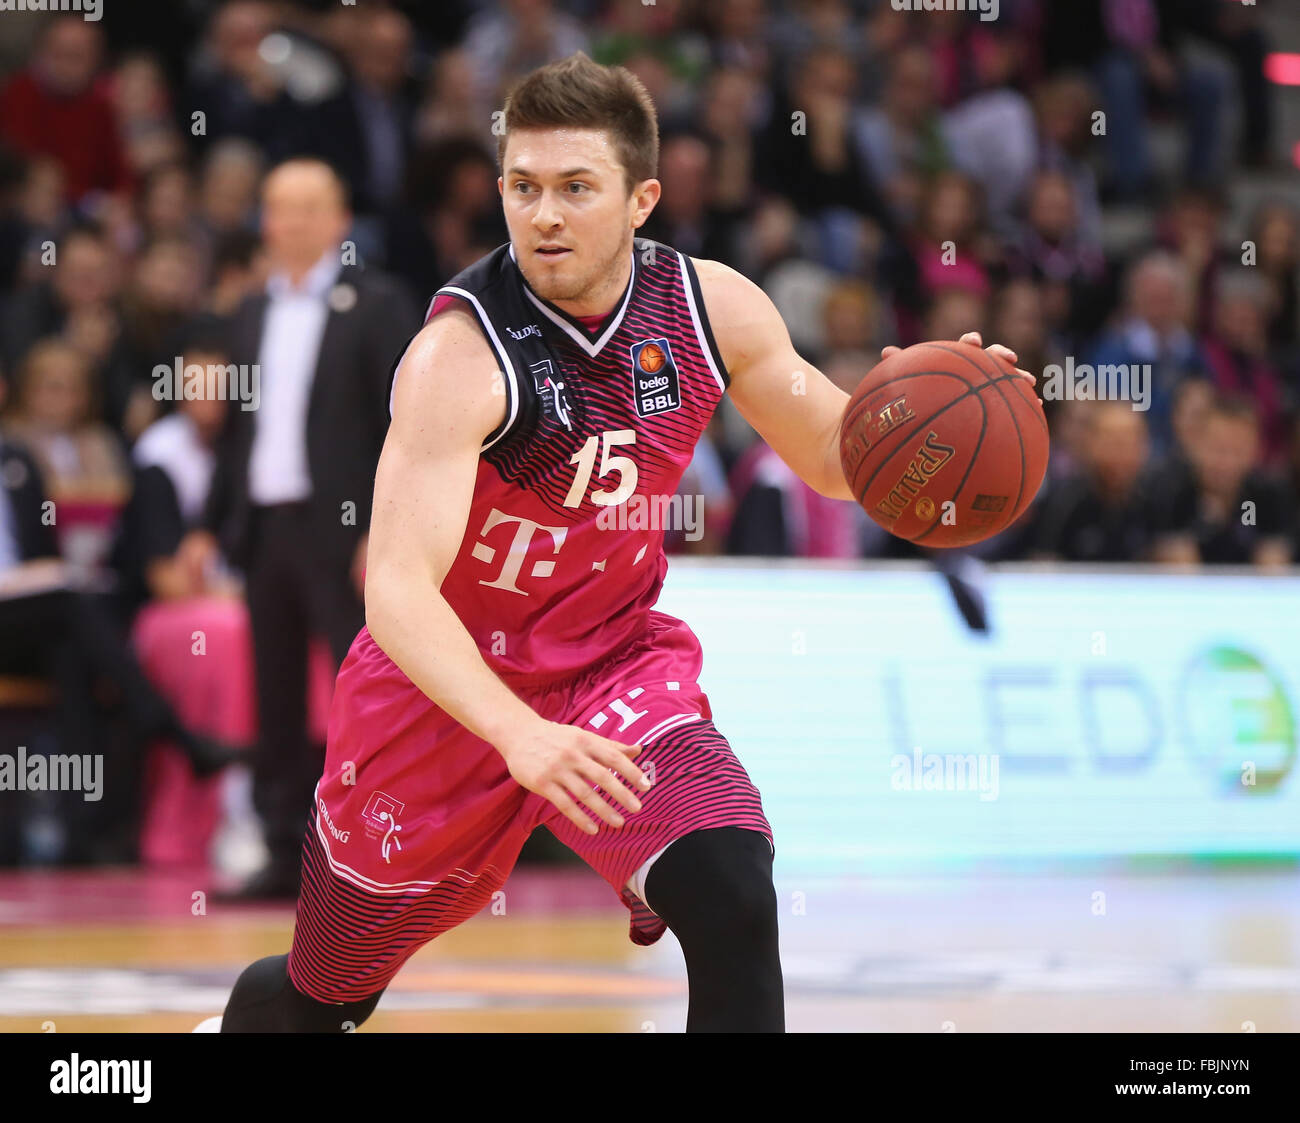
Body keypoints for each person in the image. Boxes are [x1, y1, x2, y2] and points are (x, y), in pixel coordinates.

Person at [205, 52, 1031, 1034]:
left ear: (641, 199)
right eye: (523, 187)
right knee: (325, 993)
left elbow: (834, 462)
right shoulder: (458, 357)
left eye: (574, 188)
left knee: (731, 888)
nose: (543, 215)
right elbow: (394, 589)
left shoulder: (712, 307)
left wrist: (915, 424)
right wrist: (516, 733)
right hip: (444, 695)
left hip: (609, 665)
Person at [182, 158, 417, 900]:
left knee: (368, 689)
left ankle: (385, 848)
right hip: (266, 526)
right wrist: (208, 527)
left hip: (342, 531)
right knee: (275, 695)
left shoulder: (376, 304)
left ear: (341, 220)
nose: (292, 223)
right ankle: (285, 849)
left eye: (310, 208)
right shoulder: (249, 310)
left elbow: (407, 425)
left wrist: (382, 527)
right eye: (279, 209)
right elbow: (238, 435)